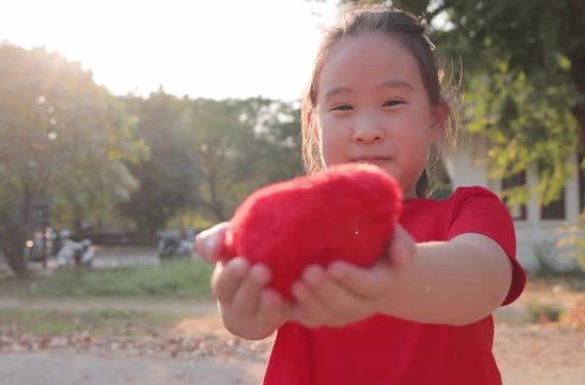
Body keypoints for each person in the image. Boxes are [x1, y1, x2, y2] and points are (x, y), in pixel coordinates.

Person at [195, 5, 526, 385]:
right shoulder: (298, 225)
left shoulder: (469, 209)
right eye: (342, 107)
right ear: (314, 125)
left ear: (435, 117)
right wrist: (242, 280)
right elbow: (248, 324)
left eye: (392, 102)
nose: (366, 130)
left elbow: (480, 283)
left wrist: (378, 270)